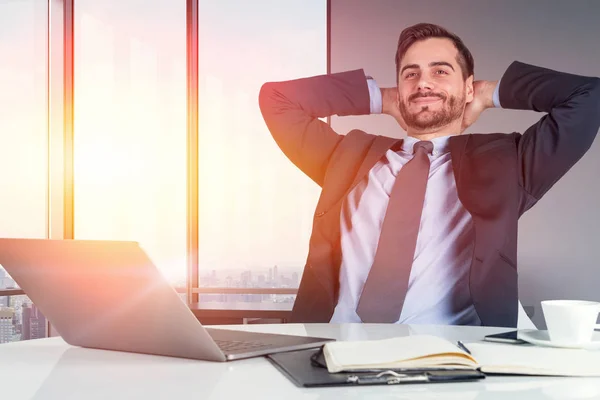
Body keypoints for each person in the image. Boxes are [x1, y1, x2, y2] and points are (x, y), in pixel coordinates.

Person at [258, 23, 600, 327]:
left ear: (466, 88)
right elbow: (277, 99)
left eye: (440, 72)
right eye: (411, 74)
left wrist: (487, 93)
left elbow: (588, 96)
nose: (423, 82)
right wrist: (382, 98)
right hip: (335, 348)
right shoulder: (347, 158)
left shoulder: (508, 163)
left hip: (454, 359)